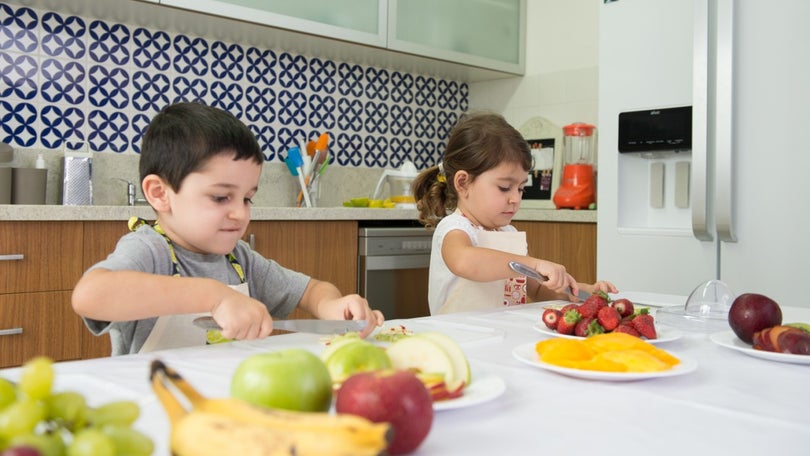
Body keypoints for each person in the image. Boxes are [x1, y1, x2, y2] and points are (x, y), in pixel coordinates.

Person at [72, 102, 384, 355]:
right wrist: (213, 296)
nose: (239, 213)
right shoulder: (150, 250)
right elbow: (90, 295)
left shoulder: (239, 259)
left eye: (247, 198)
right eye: (221, 197)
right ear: (160, 193)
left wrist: (331, 305)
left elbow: (312, 290)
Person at [412, 111, 617, 315]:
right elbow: (464, 261)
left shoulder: (507, 233)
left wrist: (580, 291)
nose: (516, 199)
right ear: (463, 183)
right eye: (504, 187)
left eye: (520, 188)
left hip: (502, 337)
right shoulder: (455, 228)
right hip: (458, 341)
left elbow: (536, 289)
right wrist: (533, 264)